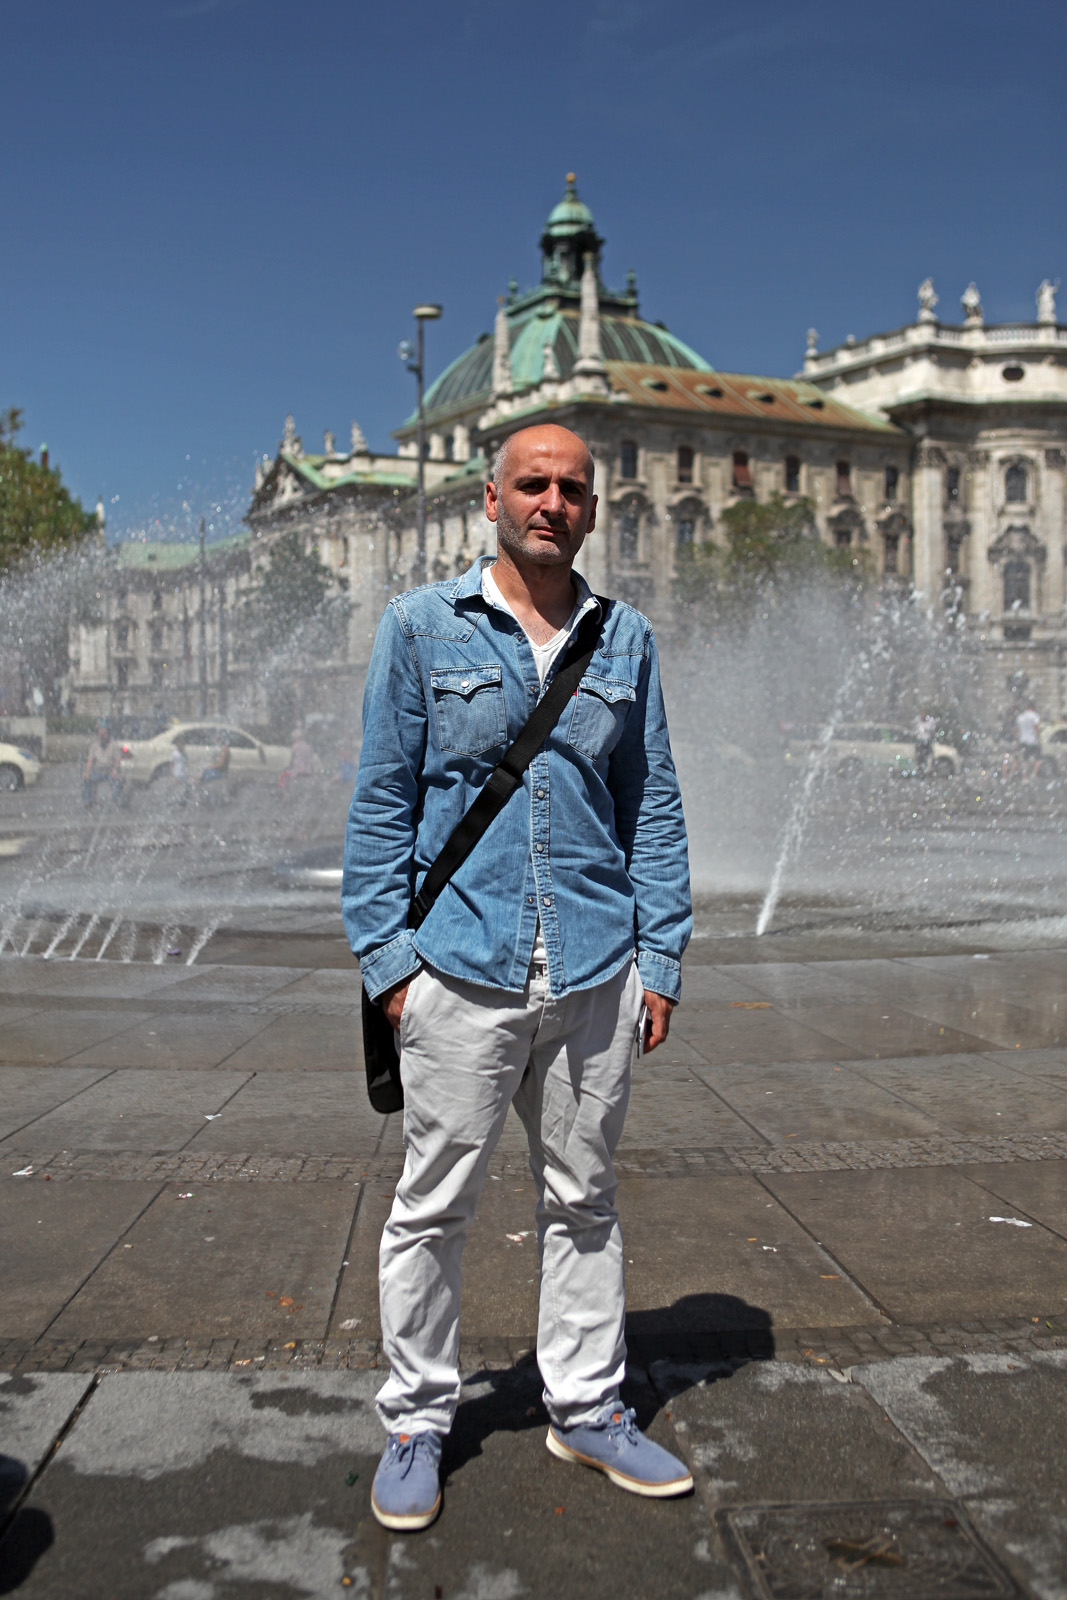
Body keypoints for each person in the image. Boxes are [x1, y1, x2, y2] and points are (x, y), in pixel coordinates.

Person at [342, 423, 693, 1532]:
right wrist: (390, 966)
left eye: (571, 489)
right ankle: (416, 1419)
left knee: (583, 1199)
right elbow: (380, 801)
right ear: (489, 498)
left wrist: (660, 957)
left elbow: (653, 805)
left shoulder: (624, 636)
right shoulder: (419, 625)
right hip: (458, 965)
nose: (552, 502)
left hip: (594, 967)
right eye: (532, 484)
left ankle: (585, 1406)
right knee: (431, 1205)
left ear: (591, 507)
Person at [82, 722, 122, 807]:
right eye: (100, 735)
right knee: (86, 780)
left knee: (117, 781)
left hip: (109, 771)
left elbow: (117, 760)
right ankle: (88, 801)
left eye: (104, 734)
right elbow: (90, 761)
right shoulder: (94, 746)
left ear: (108, 734)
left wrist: (115, 770)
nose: (102, 737)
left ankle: (114, 800)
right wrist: (87, 772)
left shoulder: (114, 745)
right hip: (97, 771)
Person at [1016, 702, 1041, 773]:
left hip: (1023, 740)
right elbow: (1036, 727)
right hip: (1032, 741)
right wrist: (1039, 737)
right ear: (1032, 707)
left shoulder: (1021, 716)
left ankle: (1024, 776)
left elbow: (1017, 729)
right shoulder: (1034, 716)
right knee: (1038, 759)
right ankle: (1034, 773)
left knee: (1024, 760)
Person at [914, 709, 937, 777]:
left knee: (926, 759)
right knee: (920, 759)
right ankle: (920, 772)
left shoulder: (930, 722)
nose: (922, 715)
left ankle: (924, 772)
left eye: (923, 713)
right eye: (921, 713)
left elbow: (932, 729)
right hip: (919, 743)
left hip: (926, 743)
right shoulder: (917, 721)